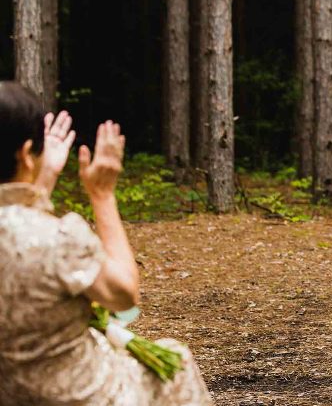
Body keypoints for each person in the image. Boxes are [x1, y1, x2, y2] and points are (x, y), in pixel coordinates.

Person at [0, 81, 212, 405]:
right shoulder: (60, 239)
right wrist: (103, 195)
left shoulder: (38, 231)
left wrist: (40, 183)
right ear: (26, 154)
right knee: (176, 363)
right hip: (75, 395)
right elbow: (123, 295)